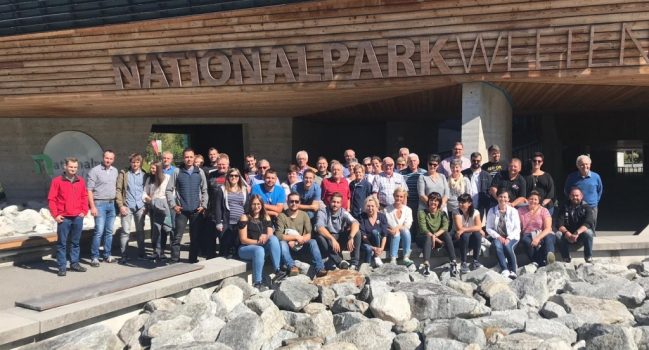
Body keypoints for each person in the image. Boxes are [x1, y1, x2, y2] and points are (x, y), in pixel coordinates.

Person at [166, 148, 208, 263]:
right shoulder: (177, 172)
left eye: (191, 157)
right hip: (181, 210)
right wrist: (174, 205)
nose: (189, 159)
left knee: (195, 238)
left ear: (194, 157)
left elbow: (204, 190)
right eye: (186, 157)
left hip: (196, 210)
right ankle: (175, 260)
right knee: (177, 237)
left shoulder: (200, 172)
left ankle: (192, 259)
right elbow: (168, 190)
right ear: (183, 158)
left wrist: (203, 205)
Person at [48, 157, 89, 276]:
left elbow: (84, 196)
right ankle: (62, 267)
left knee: (75, 242)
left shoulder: (80, 181)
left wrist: (84, 211)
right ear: (65, 167)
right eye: (71, 167)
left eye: (75, 167)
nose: (73, 169)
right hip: (64, 218)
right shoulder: (57, 181)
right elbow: (52, 199)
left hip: (77, 217)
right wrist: (55, 215)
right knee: (62, 243)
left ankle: (74, 264)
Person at [237, 195, 283, 290]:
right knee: (259, 249)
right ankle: (257, 282)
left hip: (261, 248)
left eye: (258, 204)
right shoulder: (244, 217)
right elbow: (243, 239)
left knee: (273, 239)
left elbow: (270, 235)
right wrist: (259, 242)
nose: (256, 206)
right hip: (245, 249)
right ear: (250, 205)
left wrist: (265, 236)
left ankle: (277, 270)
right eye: (254, 204)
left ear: (262, 205)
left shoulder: (266, 217)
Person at [277, 192, 327, 277]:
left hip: (301, 245)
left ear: (299, 202)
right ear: (287, 202)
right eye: (291, 201)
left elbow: (309, 234)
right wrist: (296, 237)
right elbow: (279, 235)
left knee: (313, 241)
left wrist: (296, 242)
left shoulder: (304, 215)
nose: (294, 203)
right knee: (282, 243)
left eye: (296, 201)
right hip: (288, 247)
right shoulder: (281, 216)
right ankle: (292, 267)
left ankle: (320, 268)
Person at [87, 149, 118, 267]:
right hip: (99, 204)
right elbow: (89, 190)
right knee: (99, 231)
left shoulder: (115, 171)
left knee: (109, 231)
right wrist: (92, 206)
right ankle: (94, 257)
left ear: (113, 159)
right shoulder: (94, 171)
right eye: (106, 158)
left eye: (110, 158)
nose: (108, 160)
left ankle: (107, 254)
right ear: (103, 157)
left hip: (112, 204)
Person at [116, 153, 148, 263]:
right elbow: (119, 190)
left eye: (137, 162)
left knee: (140, 231)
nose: (135, 164)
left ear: (140, 163)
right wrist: (121, 206)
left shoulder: (144, 175)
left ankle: (142, 254)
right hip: (127, 206)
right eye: (133, 162)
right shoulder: (124, 174)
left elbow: (146, 191)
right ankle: (124, 255)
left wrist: (146, 206)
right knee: (125, 231)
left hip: (140, 207)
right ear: (130, 162)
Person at [315, 192, 361, 270]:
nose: (335, 204)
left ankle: (354, 264)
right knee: (320, 237)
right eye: (333, 202)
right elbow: (319, 227)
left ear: (341, 204)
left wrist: (351, 237)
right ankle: (339, 261)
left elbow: (355, 223)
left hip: (340, 238)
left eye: (338, 202)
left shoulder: (343, 212)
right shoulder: (322, 211)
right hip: (329, 238)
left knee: (357, 233)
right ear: (329, 201)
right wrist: (332, 239)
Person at [417, 192, 455, 277]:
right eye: (431, 200)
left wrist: (434, 236)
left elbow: (445, 227)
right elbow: (423, 229)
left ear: (439, 203)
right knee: (427, 237)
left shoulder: (442, 214)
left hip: (436, 240)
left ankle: (453, 261)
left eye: (436, 201)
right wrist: (435, 239)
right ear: (428, 201)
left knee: (446, 234)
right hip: (424, 239)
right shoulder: (422, 213)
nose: (433, 202)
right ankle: (426, 264)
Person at [486, 189, 521, 279]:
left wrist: (509, 238)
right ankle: (505, 269)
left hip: (512, 237)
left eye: (505, 197)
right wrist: (498, 237)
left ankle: (513, 270)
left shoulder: (513, 211)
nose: (502, 199)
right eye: (500, 196)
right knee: (498, 246)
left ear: (508, 199)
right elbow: (488, 228)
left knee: (508, 246)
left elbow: (517, 228)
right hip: (498, 236)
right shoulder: (492, 210)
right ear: (497, 198)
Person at [215, 168, 248, 258]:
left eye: (236, 175)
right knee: (225, 246)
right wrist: (218, 222)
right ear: (228, 177)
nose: (234, 177)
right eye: (231, 175)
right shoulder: (222, 189)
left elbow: (247, 207)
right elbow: (217, 207)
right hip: (227, 222)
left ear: (239, 177)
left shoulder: (244, 190)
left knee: (238, 244)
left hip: (240, 223)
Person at [556, 187, 595, 263]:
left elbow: (588, 222)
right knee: (558, 234)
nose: (575, 197)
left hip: (580, 236)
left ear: (581, 196)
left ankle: (588, 257)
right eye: (573, 195)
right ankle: (566, 258)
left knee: (589, 232)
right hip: (568, 235)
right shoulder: (564, 207)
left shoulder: (586, 207)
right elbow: (559, 223)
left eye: (577, 195)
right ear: (569, 196)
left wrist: (576, 233)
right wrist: (567, 233)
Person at [564, 155, 603, 228]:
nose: (585, 166)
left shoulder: (596, 177)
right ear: (577, 166)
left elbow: (599, 190)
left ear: (590, 165)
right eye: (582, 164)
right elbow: (567, 191)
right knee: (576, 228)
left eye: (586, 164)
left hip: (592, 207)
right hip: (576, 207)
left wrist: (595, 201)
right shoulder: (571, 177)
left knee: (591, 228)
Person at [143, 162, 172, 261]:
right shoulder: (149, 179)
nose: (153, 170)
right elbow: (145, 193)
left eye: (155, 168)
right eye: (151, 168)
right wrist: (150, 201)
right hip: (153, 207)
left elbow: (170, 191)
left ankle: (162, 251)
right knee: (155, 230)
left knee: (164, 230)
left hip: (164, 207)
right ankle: (155, 251)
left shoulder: (167, 177)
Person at [519, 191, 555, 266]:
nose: (533, 201)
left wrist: (538, 238)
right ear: (527, 200)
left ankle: (550, 259)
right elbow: (518, 225)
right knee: (526, 241)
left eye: (535, 199)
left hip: (543, 232)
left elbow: (548, 228)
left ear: (539, 201)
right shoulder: (521, 210)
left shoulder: (544, 210)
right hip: (528, 233)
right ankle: (538, 262)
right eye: (531, 199)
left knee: (549, 238)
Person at [453, 194, 484, 273]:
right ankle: (463, 262)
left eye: (463, 202)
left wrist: (464, 229)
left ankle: (475, 261)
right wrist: (473, 229)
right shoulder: (456, 212)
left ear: (469, 203)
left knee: (477, 234)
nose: (460, 204)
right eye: (459, 202)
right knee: (466, 235)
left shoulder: (476, 212)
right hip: (459, 240)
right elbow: (459, 228)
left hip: (470, 239)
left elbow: (479, 227)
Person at [384, 188, 413, 266]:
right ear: (393, 196)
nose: (399, 198)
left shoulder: (408, 210)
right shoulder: (386, 210)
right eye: (397, 196)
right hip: (391, 236)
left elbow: (408, 225)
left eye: (401, 197)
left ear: (404, 198)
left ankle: (406, 257)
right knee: (396, 234)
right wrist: (392, 231)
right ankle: (393, 259)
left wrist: (397, 228)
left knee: (406, 231)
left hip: (404, 237)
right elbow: (384, 225)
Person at [358, 196, 388, 267]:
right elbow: (364, 236)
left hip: (378, 242)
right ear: (365, 207)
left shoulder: (382, 216)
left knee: (375, 232)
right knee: (368, 249)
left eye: (372, 206)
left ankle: (376, 256)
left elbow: (384, 235)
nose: (370, 208)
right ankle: (367, 267)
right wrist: (373, 248)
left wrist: (381, 248)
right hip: (366, 242)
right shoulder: (362, 216)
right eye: (368, 206)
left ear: (377, 206)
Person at [462, 152, 492, 220]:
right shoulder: (464, 174)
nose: (476, 162)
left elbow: (490, 190)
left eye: (478, 161)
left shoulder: (486, 175)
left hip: (481, 204)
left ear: (481, 161)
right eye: (474, 160)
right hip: (466, 204)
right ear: (470, 160)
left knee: (478, 225)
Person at [400, 153, 426, 218]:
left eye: (414, 161)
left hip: (420, 202)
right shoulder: (401, 173)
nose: (412, 163)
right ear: (407, 162)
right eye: (410, 161)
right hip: (407, 202)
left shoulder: (424, 173)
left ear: (418, 162)